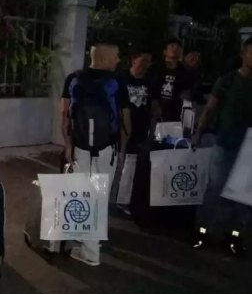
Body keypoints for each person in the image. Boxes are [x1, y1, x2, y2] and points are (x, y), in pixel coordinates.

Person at [61, 42, 132, 266]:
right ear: (103, 59)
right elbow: (125, 119)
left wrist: (67, 144)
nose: (119, 60)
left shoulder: (73, 78)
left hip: (81, 147)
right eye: (116, 56)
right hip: (107, 149)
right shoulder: (117, 82)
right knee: (100, 196)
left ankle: (86, 242)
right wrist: (122, 149)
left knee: (82, 194)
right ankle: (92, 252)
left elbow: (64, 114)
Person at [191, 37, 252, 258]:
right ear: (243, 54)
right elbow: (210, 109)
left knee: (243, 197)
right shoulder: (227, 80)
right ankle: (202, 232)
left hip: (250, 149)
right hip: (225, 142)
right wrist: (199, 132)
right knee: (214, 190)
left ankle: (234, 236)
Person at [115, 49, 160, 214]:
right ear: (133, 60)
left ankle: (123, 200)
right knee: (118, 162)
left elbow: (154, 107)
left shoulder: (150, 81)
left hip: (141, 128)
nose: (147, 65)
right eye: (144, 60)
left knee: (131, 165)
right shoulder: (121, 78)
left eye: (149, 61)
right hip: (120, 127)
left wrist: (152, 132)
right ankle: (110, 197)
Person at [152, 38, 195, 122]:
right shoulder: (156, 69)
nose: (175, 49)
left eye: (178, 47)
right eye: (172, 46)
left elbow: (188, 94)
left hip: (174, 117)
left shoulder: (184, 72)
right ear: (165, 51)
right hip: (154, 115)